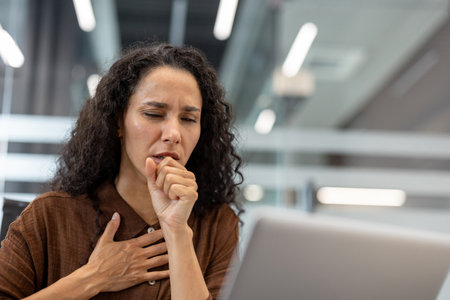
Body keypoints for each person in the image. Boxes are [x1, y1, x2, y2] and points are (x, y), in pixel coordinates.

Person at [0, 43, 243, 299]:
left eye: (188, 119)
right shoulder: (50, 216)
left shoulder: (217, 225)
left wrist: (177, 231)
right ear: (118, 122)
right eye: (153, 114)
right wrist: (94, 277)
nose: (173, 134)